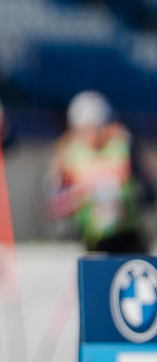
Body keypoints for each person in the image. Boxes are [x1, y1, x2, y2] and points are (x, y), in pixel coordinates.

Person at [47, 89, 146, 253]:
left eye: (96, 127)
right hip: (91, 239)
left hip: (127, 235)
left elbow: (138, 187)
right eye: (85, 128)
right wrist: (81, 196)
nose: (91, 134)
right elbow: (56, 203)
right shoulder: (67, 156)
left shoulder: (122, 145)